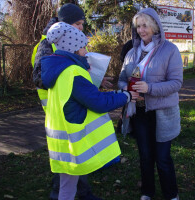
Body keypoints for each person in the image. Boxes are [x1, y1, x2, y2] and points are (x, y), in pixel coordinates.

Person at [41, 22, 138, 200]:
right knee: (67, 186)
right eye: (83, 47)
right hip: (73, 140)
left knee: (67, 185)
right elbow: (98, 102)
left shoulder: (56, 68)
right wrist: (126, 96)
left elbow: (85, 96)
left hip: (60, 141)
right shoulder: (73, 72)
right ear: (73, 48)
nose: (86, 51)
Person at [31, 4, 113, 200]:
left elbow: (73, 73)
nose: (81, 28)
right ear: (64, 25)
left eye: (82, 24)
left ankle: (79, 193)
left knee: (75, 153)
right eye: (77, 24)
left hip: (67, 106)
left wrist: (94, 79)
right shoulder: (47, 45)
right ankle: (61, 194)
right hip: (59, 109)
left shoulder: (66, 39)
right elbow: (43, 79)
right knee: (66, 159)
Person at [118, 8, 182, 200]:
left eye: (145, 25)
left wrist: (149, 88)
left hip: (163, 113)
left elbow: (176, 83)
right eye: (138, 26)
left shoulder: (170, 50)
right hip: (139, 112)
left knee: (162, 158)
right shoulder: (131, 52)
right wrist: (128, 91)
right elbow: (121, 79)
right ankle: (147, 192)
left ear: (154, 26)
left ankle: (171, 194)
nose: (141, 30)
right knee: (145, 156)